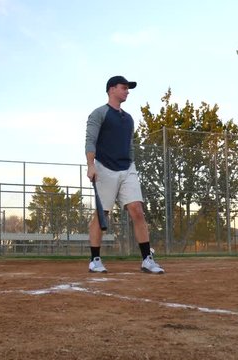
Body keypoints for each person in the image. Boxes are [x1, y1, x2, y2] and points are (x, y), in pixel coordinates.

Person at [84, 75, 164, 274]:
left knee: (137, 209)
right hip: (104, 168)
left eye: (128, 88)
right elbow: (90, 140)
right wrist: (90, 165)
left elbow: (129, 146)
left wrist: (131, 164)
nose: (127, 91)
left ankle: (147, 259)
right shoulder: (99, 114)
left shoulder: (128, 119)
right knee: (102, 214)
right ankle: (95, 260)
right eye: (124, 87)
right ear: (112, 89)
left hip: (127, 168)